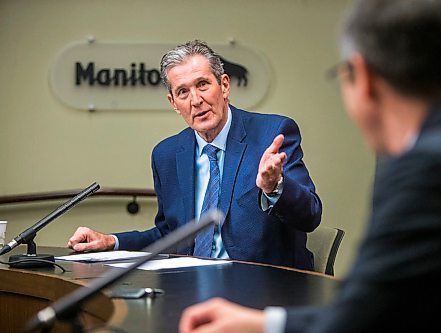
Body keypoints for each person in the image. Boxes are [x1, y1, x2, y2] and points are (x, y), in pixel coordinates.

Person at [178, 0, 441, 332]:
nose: (196, 99)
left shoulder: (429, 171)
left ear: (364, 77)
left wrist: (265, 326)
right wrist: (264, 322)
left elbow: (365, 317)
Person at [67, 40, 322, 270]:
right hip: (190, 286)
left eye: (202, 84)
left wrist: (274, 187)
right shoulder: (166, 154)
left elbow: (310, 215)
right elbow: (170, 235)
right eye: (183, 92)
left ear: (223, 86)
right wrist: (111, 241)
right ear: (173, 103)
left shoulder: (271, 134)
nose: (196, 100)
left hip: (261, 287)